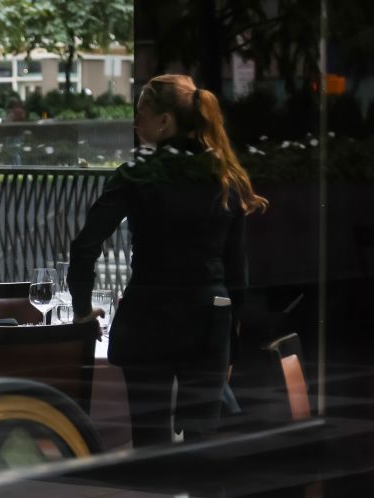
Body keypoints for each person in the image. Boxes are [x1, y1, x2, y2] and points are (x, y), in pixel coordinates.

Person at [68, 74, 268, 448]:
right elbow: (236, 271)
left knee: (149, 440)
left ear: (164, 121)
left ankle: (155, 486)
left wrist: (82, 308)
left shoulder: (136, 176)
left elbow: (85, 246)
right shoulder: (225, 177)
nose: (134, 122)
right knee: (202, 441)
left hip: (148, 316)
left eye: (140, 113)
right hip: (208, 319)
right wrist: (230, 342)